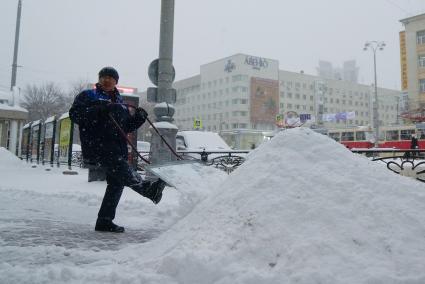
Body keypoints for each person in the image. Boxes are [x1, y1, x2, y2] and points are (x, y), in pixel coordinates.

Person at [69, 67, 166, 233]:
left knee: (116, 183)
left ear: (116, 81)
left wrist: (139, 119)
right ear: (99, 79)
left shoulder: (120, 102)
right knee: (121, 170)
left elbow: (126, 126)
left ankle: (104, 221)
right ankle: (148, 190)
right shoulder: (89, 95)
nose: (107, 80)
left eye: (110, 78)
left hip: (117, 147)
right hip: (98, 145)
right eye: (103, 77)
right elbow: (75, 115)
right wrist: (98, 110)